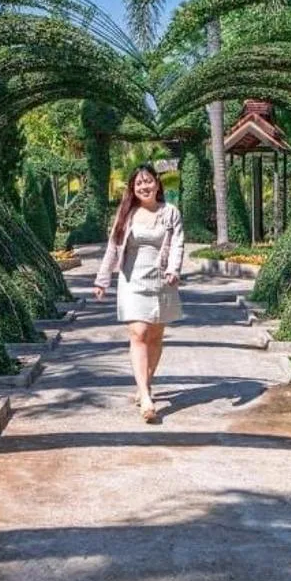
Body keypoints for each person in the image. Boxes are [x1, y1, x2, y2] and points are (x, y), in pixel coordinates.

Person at [92, 164, 185, 422]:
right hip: (132, 280)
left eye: (148, 181)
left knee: (155, 335)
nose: (144, 187)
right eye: (138, 184)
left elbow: (178, 243)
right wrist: (102, 280)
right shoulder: (127, 214)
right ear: (133, 189)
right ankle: (145, 397)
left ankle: (146, 382)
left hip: (162, 279)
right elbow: (113, 248)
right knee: (139, 332)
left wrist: (174, 270)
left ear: (157, 183)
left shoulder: (170, 213)